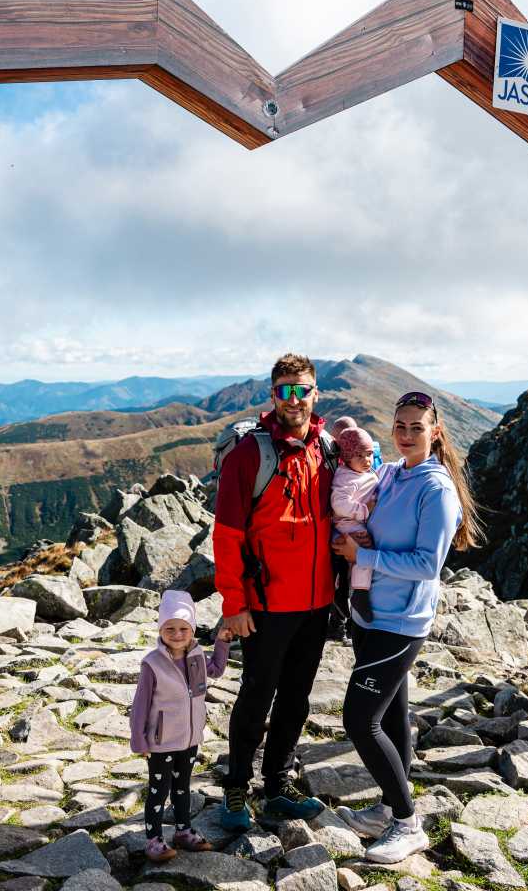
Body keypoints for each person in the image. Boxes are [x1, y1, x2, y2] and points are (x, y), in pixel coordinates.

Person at [333, 391, 483, 863]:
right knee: (391, 715)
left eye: (416, 427)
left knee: (359, 719)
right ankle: (387, 807)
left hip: (401, 622)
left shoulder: (436, 489)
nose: (406, 434)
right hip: (370, 613)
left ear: (435, 432)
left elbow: (426, 564)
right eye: (400, 425)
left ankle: (407, 822)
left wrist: (364, 556)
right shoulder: (393, 473)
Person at [214, 353, 336, 830]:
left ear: (315, 393)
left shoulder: (325, 448)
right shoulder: (251, 453)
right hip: (265, 605)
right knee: (256, 696)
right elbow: (226, 535)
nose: (294, 398)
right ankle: (236, 787)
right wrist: (234, 605)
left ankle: (278, 782)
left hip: (316, 601)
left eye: (302, 389)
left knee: (297, 697)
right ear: (272, 394)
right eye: (285, 389)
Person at [129, 590, 230, 862]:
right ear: (161, 629)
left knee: (183, 787)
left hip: (190, 738)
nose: (176, 634)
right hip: (162, 742)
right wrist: (139, 740)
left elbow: (217, 670)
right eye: (170, 628)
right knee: (158, 791)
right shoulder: (152, 663)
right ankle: (153, 839)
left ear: (192, 629)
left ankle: (183, 831)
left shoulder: (197, 655)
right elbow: (140, 704)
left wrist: (221, 642)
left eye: (183, 628)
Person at [331, 425, 379, 623]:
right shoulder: (345, 477)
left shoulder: (364, 472)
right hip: (349, 523)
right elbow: (339, 504)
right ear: (348, 457)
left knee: (357, 560)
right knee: (363, 553)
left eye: (369, 454)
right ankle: (359, 593)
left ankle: (348, 593)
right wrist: (364, 510)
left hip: (356, 521)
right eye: (359, 456)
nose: (367, 460)